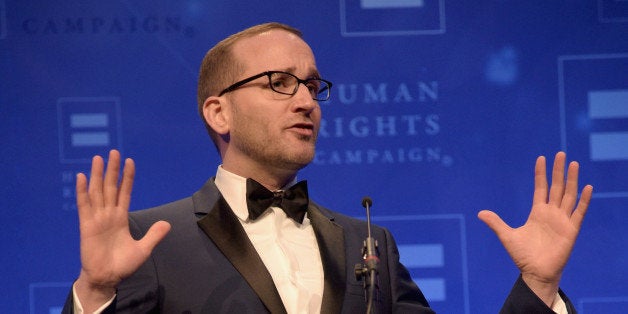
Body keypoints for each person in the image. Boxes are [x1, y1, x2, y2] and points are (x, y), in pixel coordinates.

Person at [62, 22, 593, 313]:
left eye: (313, 85)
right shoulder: (149, 242)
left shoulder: (369, 244)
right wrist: (95, 296)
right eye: (278, 83)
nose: (306, 101)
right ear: (218, 111)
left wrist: (539, 287)